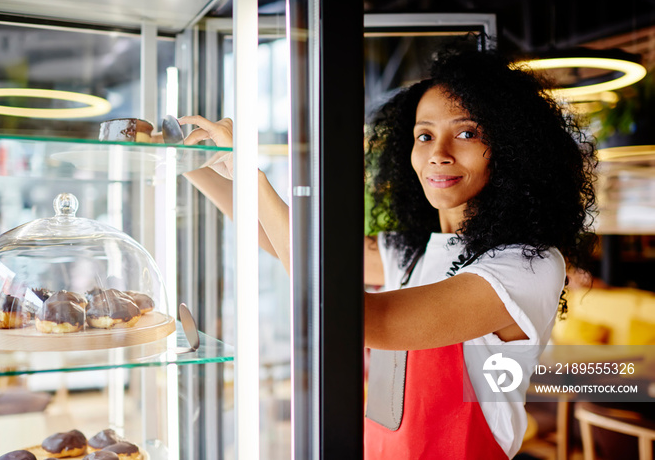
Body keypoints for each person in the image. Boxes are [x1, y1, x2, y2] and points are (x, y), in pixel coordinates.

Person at [181, 45, 597, 459]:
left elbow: (365, 319)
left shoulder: (527, 264)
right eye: (425, 135)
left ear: (512, 149)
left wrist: (251, 174)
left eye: (467, 133)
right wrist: (197, 165)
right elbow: (282, 240)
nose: (438, 153)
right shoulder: (410, 250)